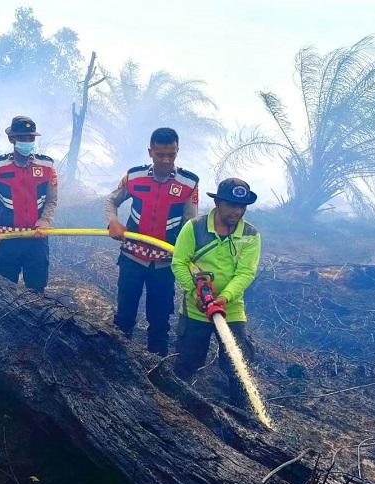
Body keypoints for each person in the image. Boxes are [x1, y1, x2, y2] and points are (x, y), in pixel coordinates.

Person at [105, 127, 200, 355]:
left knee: (159, 320)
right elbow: (111, 200)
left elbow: (191, 223)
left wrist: (189, 257)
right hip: (131, 259)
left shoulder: (189, 182)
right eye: (160, 155)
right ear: (150, 152)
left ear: (177, 151)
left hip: (165, 264)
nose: (166, 160)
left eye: (172, 154)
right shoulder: (134, 176)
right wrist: (113, 222)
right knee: (124, 315)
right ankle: (117, 359)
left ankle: (157, 367)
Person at [170, 177, 261, 407]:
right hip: (196, 309)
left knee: (238, 364)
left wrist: (223, 298)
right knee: (187, 361)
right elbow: (179, 263)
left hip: (230, 310)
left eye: (242, 206)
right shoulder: (195, 228)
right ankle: (174, 405)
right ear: (218, 202)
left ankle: (243, 411)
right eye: (231, 205)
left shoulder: (251, 235)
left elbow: (245, 274)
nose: (237, 211)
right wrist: (194, 292)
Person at [0, 116, 58, 292]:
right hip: (7, 238)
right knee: (5, 287)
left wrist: (45, 221)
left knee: (37, 288)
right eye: (22, 138)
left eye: (31, 138)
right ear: (11, 139)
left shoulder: (47, 165)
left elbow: (52, 200)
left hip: (37, 238)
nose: (27, 142)